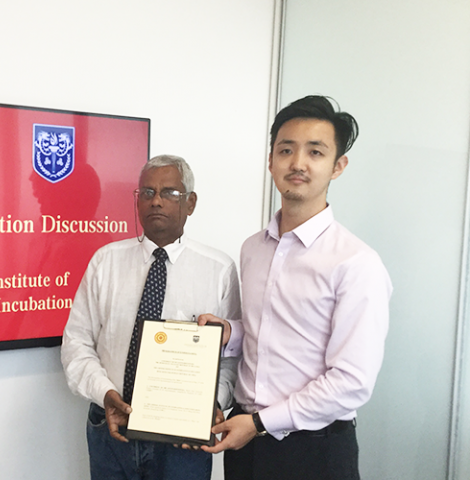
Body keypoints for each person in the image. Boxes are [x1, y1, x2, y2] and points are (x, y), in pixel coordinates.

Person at [199, 96, 392, 480]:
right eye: (286, 150)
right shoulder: (253, 249)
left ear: (338, 166)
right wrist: (230, 332)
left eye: (315, 152)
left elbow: (351, 382)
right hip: (246, 442)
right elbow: (274, 331)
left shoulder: (356, 262)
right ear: (271, 161)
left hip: (315, 449)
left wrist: (260, 423)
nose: (298, 163)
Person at [61, 154, 241, 480]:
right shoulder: (105, 262)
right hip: (111, 428)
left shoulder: (219, 269)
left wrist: (210, 404)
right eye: (147, 192)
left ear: (190, 203)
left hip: (183, 438)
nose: (156, 201)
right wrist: (105, 393)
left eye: (169, 192)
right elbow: (76, 343)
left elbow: (231, 356)